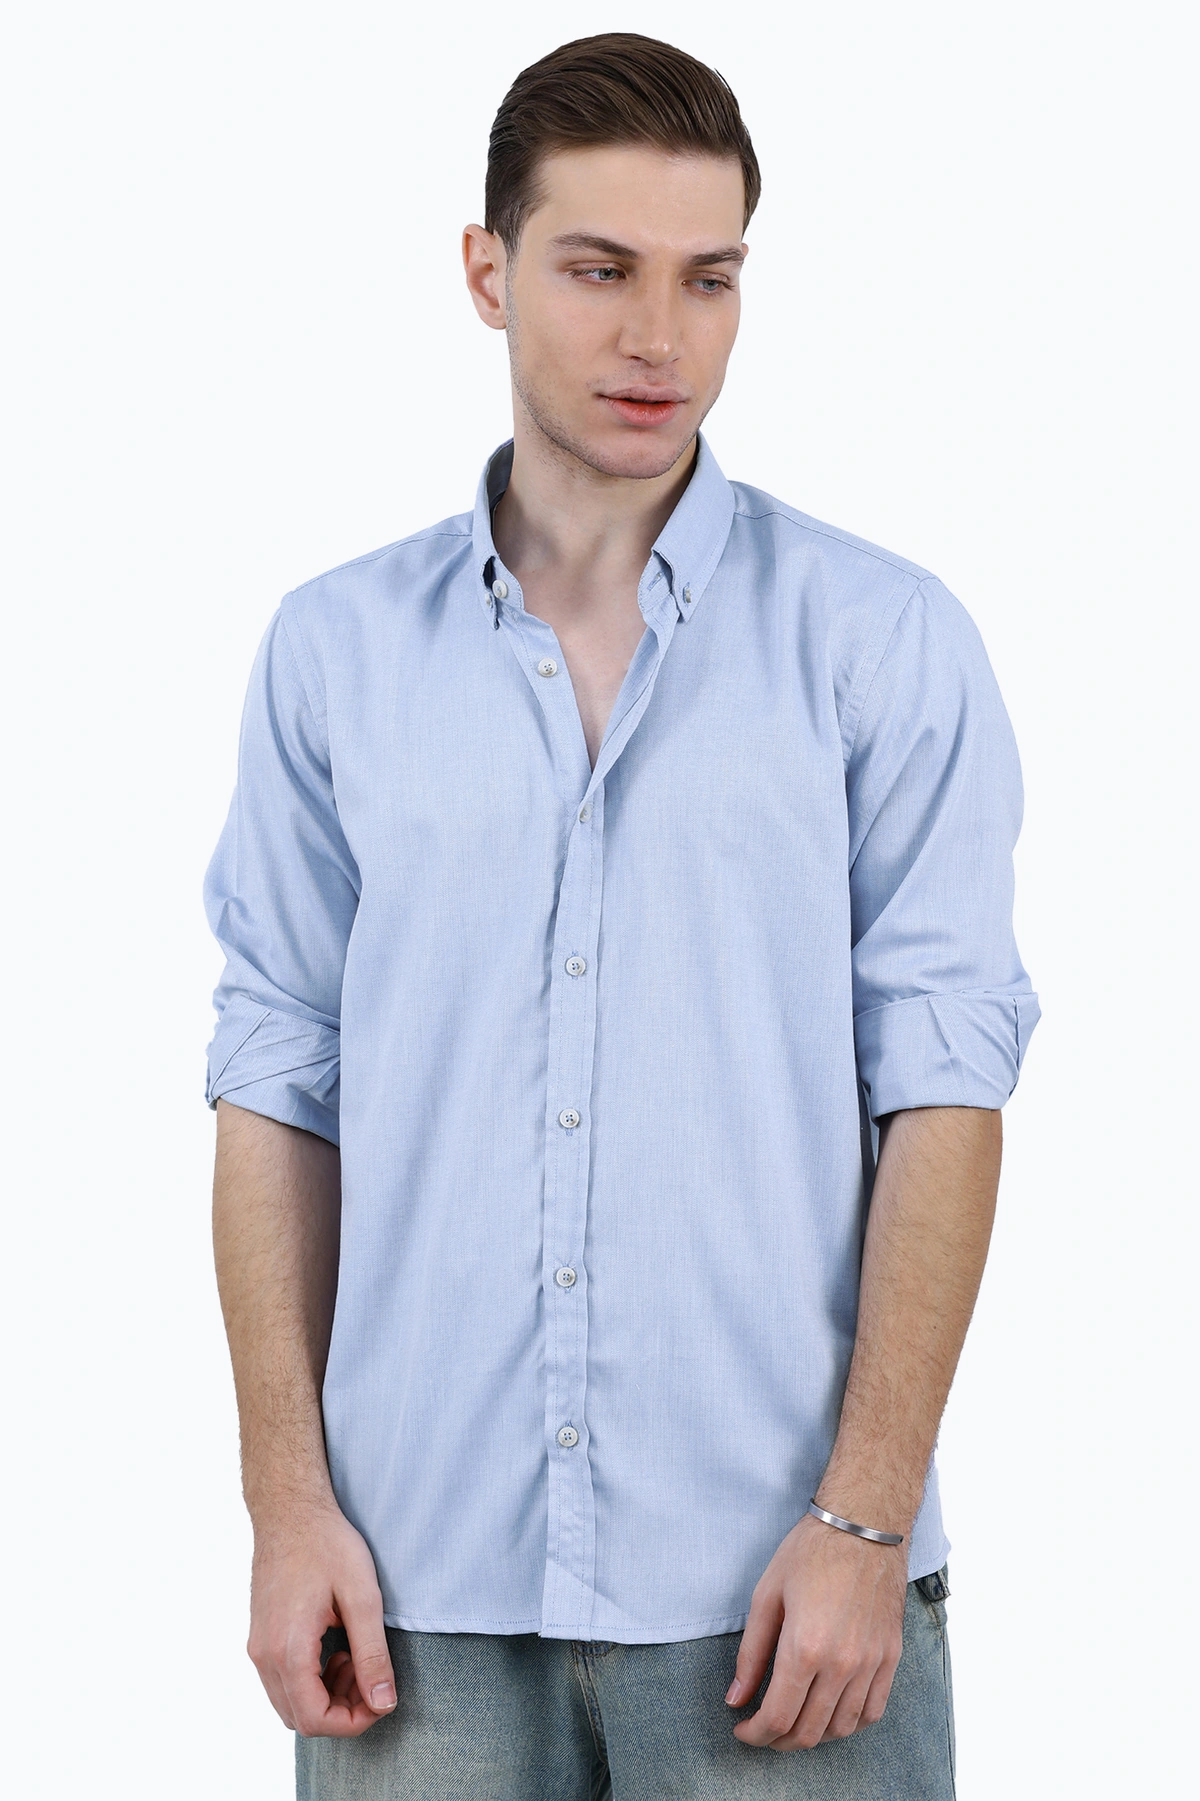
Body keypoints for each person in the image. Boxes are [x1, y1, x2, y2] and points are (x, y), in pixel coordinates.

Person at [205, 31, 1039, 1800]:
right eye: (601, 271)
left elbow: (947, 1093)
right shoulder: (332, 653)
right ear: (487, 271)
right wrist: (286, 1503)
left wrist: (867, 1518)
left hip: (785, 1597)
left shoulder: (882, 641)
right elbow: (278, 1083)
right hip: (411, 1598)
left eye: (709, 278)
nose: (662, 337)